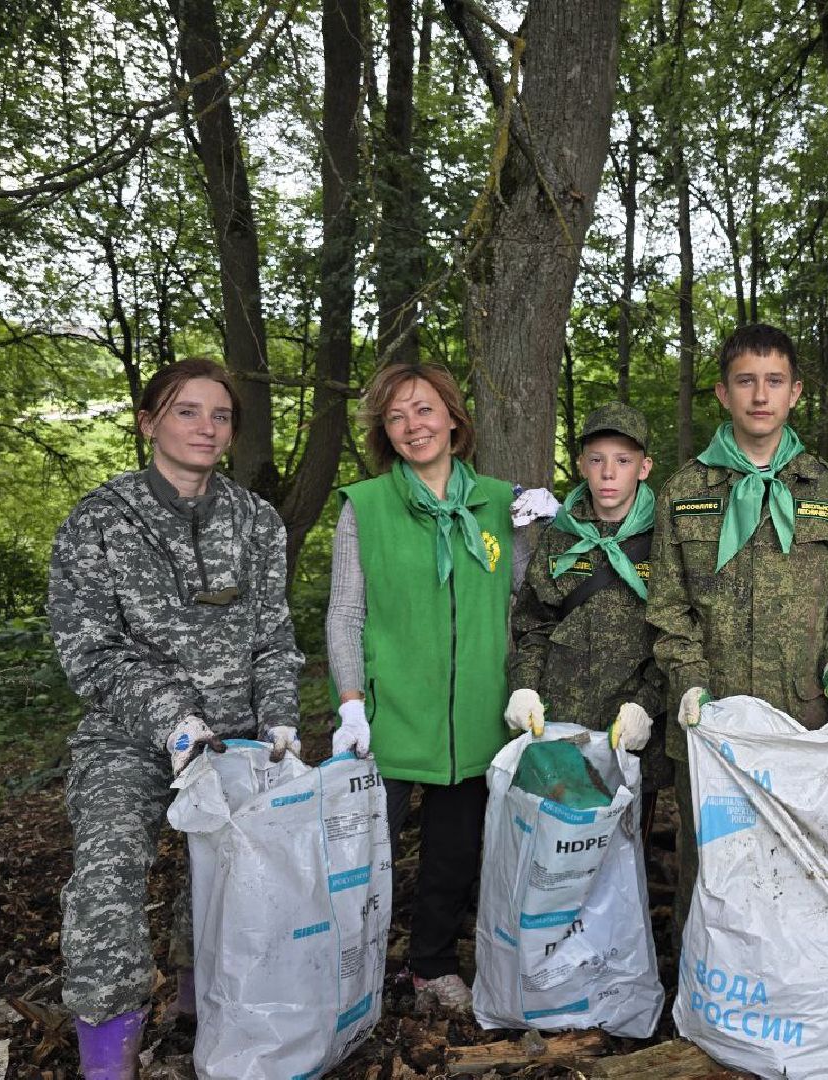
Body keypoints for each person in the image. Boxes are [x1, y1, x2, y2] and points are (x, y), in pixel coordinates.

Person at [48, 358, 303, 1080]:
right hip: (128, 741)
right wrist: (171, 720)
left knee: (229, 884)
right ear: (148, 422)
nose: (207, 427)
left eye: (220, 415)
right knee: (106, 877)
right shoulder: (99, 521)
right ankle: (109, 1058)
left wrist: (281, 720)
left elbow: (273, 638)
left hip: (236, 737)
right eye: (187, 411)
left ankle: (209, 1018)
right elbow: (87, 652)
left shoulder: (256, 520)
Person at [645, 323, 828, 927]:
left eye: (773, 381)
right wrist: (691, 681)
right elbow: (668, 604)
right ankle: (703, 1004)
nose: (759, 395)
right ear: (723, 394)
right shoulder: (684, 490)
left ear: (795, 392)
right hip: (711, 719)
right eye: (745, 381)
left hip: (799, 723)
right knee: (710, 870)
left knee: (793, 874)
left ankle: (783, 1001)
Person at [325, 361, 515, 1016]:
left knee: (454, 859)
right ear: (385, 432)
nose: (413, 425)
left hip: (477, 719)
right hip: (388, 715)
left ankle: (430, 965)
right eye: (397, 415)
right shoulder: (365, 507)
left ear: (454, 419)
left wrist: (545, 527)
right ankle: (347, 977)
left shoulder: (500, 500)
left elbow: (527, 595)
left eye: (425, 409)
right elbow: (345, 614)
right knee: (361, 858)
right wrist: (351, 702)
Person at [506, 402, 671, 831]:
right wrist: (524, 688)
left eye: (623, 461)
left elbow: (677, 634)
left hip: (630, 734)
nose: (608, 473)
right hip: (560, 732)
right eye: (596, 460)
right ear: (581, 465)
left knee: (626, 860)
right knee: (560, 857)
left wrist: (648, 707)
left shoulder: (667, 543)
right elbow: (534, 625)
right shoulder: (558, 538)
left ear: (645, 467)